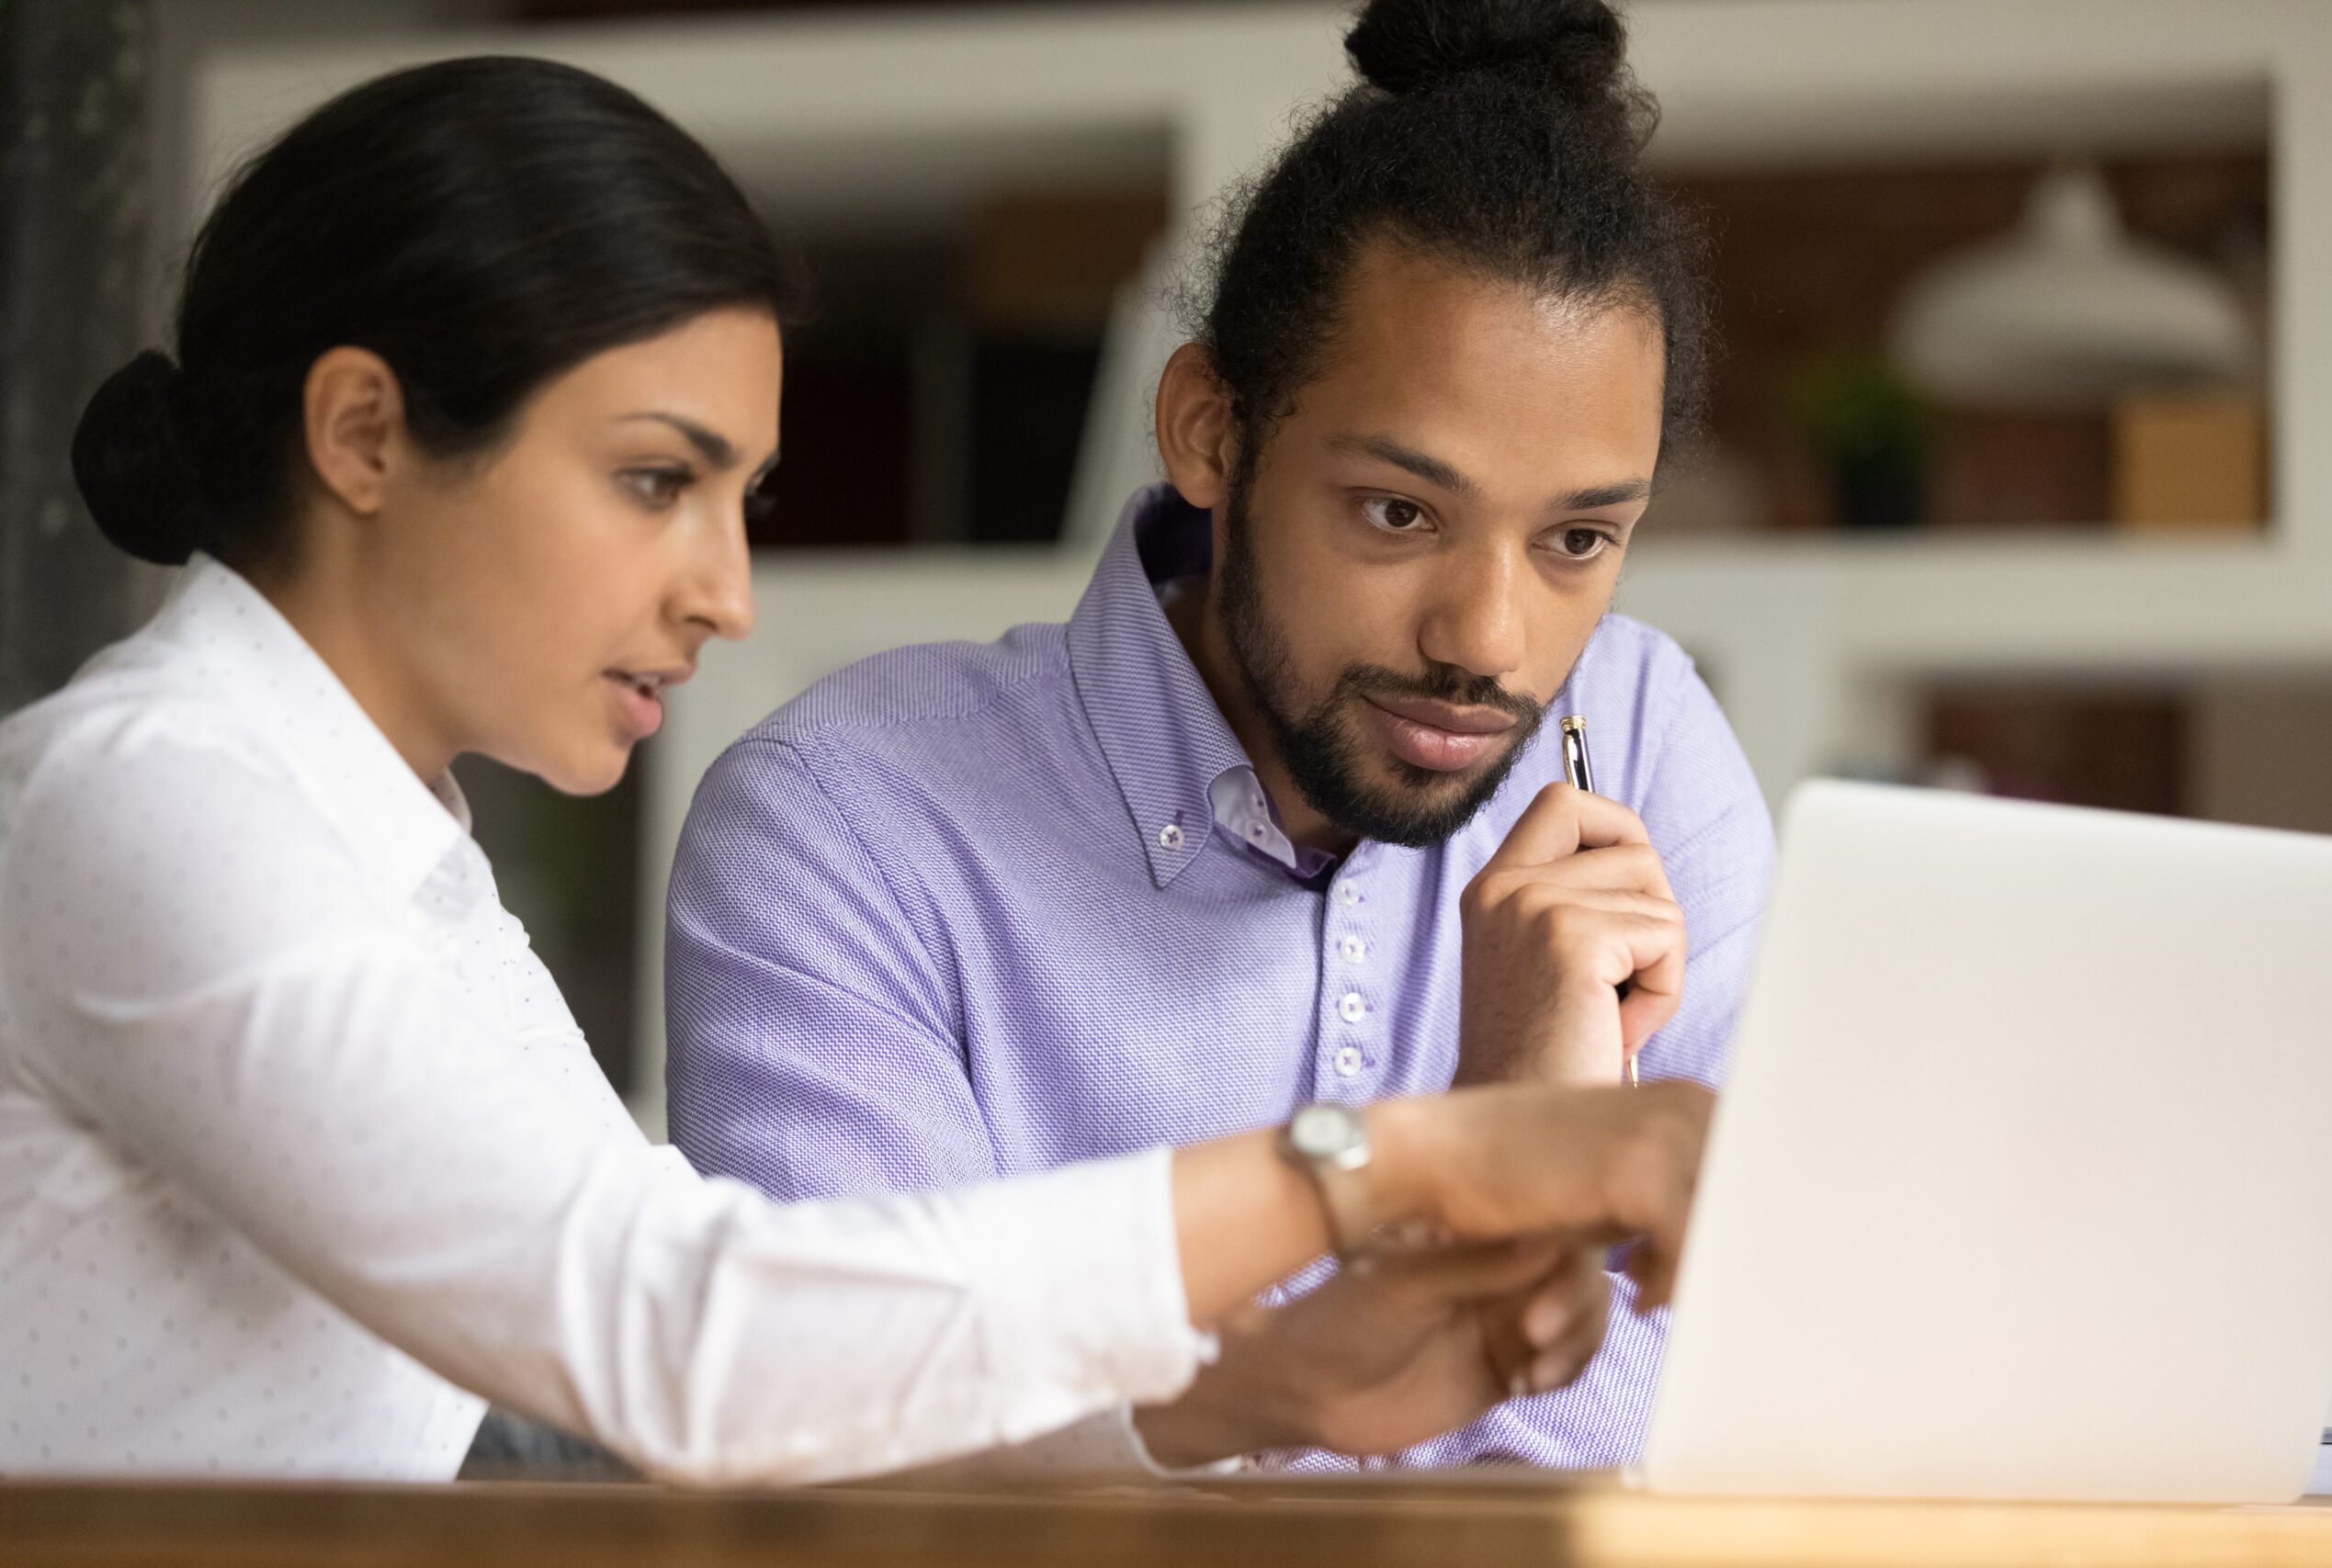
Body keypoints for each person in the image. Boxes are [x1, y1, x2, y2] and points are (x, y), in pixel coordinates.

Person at [0, 55, 1714, 1483]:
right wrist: (1393, 1165)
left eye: (735, 503)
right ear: (366, 433)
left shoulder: (390, 849)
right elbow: (672, 1331)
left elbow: (793, 1365)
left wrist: (1255, 1392)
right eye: (655, 482)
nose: (723, 594)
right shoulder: (144, 799)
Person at [665, 0, 1772, 1474]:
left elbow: (1748, 1408)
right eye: (1400, 513)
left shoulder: (1642, 738)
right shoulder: (844, 826)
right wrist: (1509, 1156)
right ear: (1207, 430)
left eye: (1577, 538)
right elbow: (861, 1460)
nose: (1489, 642)